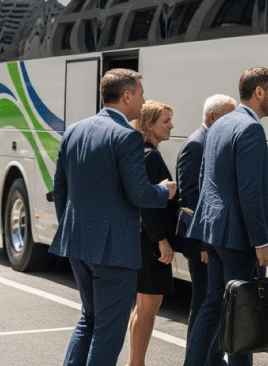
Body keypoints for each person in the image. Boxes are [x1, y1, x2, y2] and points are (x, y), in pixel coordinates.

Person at [50, 69, 177, 366]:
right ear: (127, 96)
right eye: (141, 93)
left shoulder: (74, 130)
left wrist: (71, 228)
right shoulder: (127, 136)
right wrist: (164, 191)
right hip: (113, 249)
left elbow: (60, 188)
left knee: (89, 320)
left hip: (77, 242)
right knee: (108, 332)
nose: (143, 100)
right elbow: (140, 194)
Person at [183, 67, 268, 366]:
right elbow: (249, 191)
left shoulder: (219, 125)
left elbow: (204, 180)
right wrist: (262, 242)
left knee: (214, 304)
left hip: (214, 232)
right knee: (241, 310)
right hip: (237, 236)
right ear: (259, 92)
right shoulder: (250, 128)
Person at [175, 94, 237, 366]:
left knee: (212, 306)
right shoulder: (197, 145)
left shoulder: (210, 141)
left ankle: (211, 358)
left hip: (210, 240)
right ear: (212, 117)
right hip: (202, 243)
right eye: (229, 116)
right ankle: (198, 359)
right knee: (202, 306)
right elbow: (190, 198)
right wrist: (201, 243)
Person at [127, 101, 181, 366]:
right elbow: (146, 202)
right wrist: (161, 240)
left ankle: (136, 362)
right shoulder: (150, 155)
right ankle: (136, 363)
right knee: (149, 308)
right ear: (150, 125)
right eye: (166, 121)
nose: (171, 126)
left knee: (143, 307)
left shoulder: (143, 152)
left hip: (143, 238)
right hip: (149, 241)